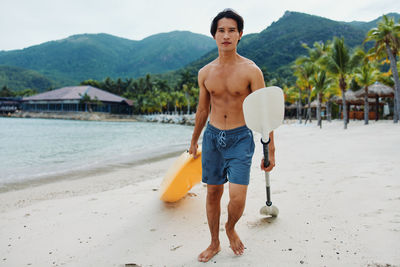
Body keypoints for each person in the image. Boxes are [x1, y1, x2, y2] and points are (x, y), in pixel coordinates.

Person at [188, 8, 276, 263]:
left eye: (231, 30)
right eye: (221, 30)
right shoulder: (205, 72)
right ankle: (214, 242)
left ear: (239, 35)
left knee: (237, 197)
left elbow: (264, 111)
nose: (226, 35)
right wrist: (194, 140)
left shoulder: (252, 71)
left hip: (240, 138)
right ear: (214, 36)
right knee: (213, 193)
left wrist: (271, 149)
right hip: (213, 138)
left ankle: (230, 227)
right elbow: (203, 109)